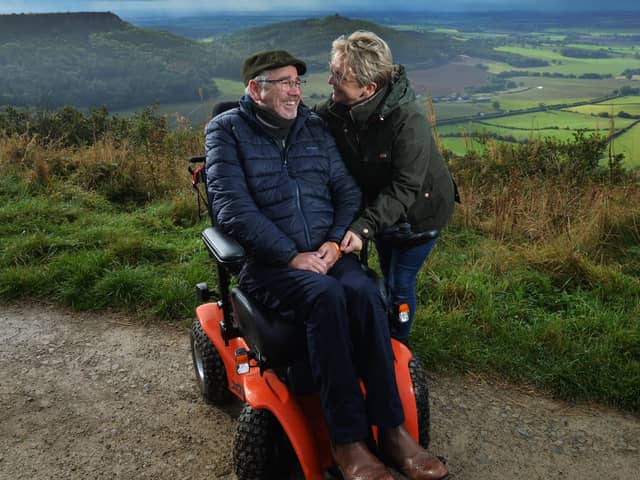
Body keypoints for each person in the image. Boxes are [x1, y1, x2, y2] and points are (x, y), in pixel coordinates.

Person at [205, 50, 448, 480]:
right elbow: (232, 208)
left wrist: (336, 244)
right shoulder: (225, 132)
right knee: (328, 297)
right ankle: (348, 441)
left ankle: (392, 431)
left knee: (365, 291)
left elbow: (347, 191)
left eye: (297, 81)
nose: (295, 90)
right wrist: (290, 255)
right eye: (283, 82)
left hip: (325, 253)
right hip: (270, 265)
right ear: (254, 89)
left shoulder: (314, 128)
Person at [315, 31, 458, 344]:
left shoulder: (409, 121)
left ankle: (396, 348)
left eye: (339, 76)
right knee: (383, 271)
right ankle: (378, 334)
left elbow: (406, 187)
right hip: (381, 208)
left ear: (369, 88)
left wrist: (364, 226)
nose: (330, 81)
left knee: (399, 280)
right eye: (332, 71)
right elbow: (309, 123)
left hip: (420, 212)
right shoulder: (340, 108)